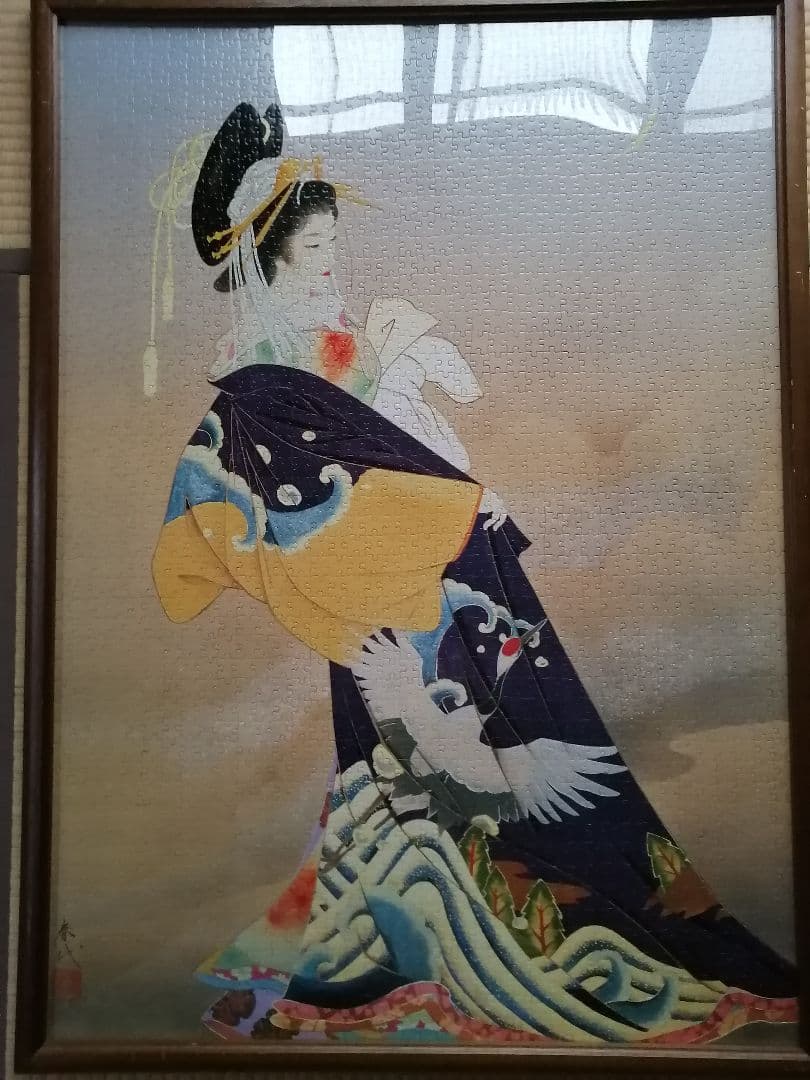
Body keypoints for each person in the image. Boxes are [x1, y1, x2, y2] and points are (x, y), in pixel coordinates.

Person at [152, 103, 797, 1045]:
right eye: (316, 245)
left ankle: (489, 939)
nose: (331, 259)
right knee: (401, 767)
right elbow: (315, 488)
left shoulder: (335, 346)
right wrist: (443, 498)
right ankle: (368, 966)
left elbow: (389, 446)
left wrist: (450, 478)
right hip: (378, 588)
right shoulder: (263, 374)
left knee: (485, 737)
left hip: (429, 568)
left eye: (334, 242)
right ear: (271, 255)